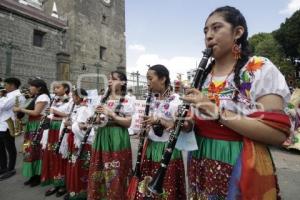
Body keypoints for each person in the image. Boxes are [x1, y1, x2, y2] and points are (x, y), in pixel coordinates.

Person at [181, 6, 291, 199]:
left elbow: (277, 133)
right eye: (206, 31)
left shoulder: (259, 68)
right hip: (199, 160)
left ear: (238, 32)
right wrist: (189, 124)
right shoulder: (203, 76)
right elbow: (196, 116)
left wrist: (216, 112)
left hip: (241, 160)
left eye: (216, 28)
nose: (208, 35)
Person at [133, 65, 187, 200]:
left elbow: (182, 127)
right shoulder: (151, 99)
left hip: (167, 150)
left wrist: (160, 121)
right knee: (147, 187)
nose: (148, 82)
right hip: (150, 147)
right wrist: (144, 131)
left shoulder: (176, 101)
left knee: (166, 189)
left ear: (162, 79)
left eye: (150, 79)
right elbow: (150, 123)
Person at [88, 71, 134, 200]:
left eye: (113, 79)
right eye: (109, 79)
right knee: (101, 167)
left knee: (116, 170)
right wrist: (95, 119)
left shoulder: (128, 99)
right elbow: (98, 119)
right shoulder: (102, 98)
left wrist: (111, 114)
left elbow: (128, 123)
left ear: (123, 82)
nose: (109, 81)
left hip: (117, 136)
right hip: (102, 135)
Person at [13, 78, 50, 186]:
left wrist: (20, 109)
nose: (29, 88)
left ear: (38, 88)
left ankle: (38, 175)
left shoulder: (43, 97)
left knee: (36, 150)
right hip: (32, 125)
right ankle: (32, 174)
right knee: (29, 149)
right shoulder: (35, 97)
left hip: (38, 125)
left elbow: (36, 112)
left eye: (31, 86)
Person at [41, 82, 72, 197]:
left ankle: (63, 184)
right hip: (52, 129)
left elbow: (69, 114)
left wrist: (54, 111)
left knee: (61, 155)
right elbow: (51, 113)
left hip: (61, 129)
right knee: (52, 154)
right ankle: (55, 183)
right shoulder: (54, 99)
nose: (55, 89)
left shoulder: (71, 100)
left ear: (66, 89)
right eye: (54, 88)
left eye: (58, 87)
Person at [63, 88, 94, 200]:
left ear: (78, 97)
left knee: (81, 167)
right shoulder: (79, 108)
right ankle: (74, 190)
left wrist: (70, 124)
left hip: (81, 142)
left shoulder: (84, 109)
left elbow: (82, 126)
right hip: (75, 141)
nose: (72, 99)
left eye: (73, 96)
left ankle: (80, 193)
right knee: (74, 164)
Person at [0, 77, 25, 181]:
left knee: (10, 148)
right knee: (1, 148)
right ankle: (3, 167)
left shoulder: (17, 95)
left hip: (8, 125)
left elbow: (3, 106)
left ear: (12, 85)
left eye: (6, 84)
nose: (4, 86)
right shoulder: (7, 95)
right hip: (1, 123)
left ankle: (11, 168)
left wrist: (2, 99)